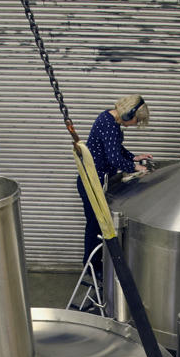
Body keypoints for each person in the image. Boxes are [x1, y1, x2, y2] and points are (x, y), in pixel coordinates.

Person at [77, 94, 152, 278]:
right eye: (136, 120)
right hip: (92, 182)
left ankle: (95, 265)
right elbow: (113, 158)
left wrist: (133, 157)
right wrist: (135, 167)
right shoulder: (109, 124)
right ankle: (93, 268)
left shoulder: (109, 119)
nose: (135, 124)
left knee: (98, 225)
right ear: (129, 113)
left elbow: (116, 149)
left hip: (97, 180)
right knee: (95, 226)